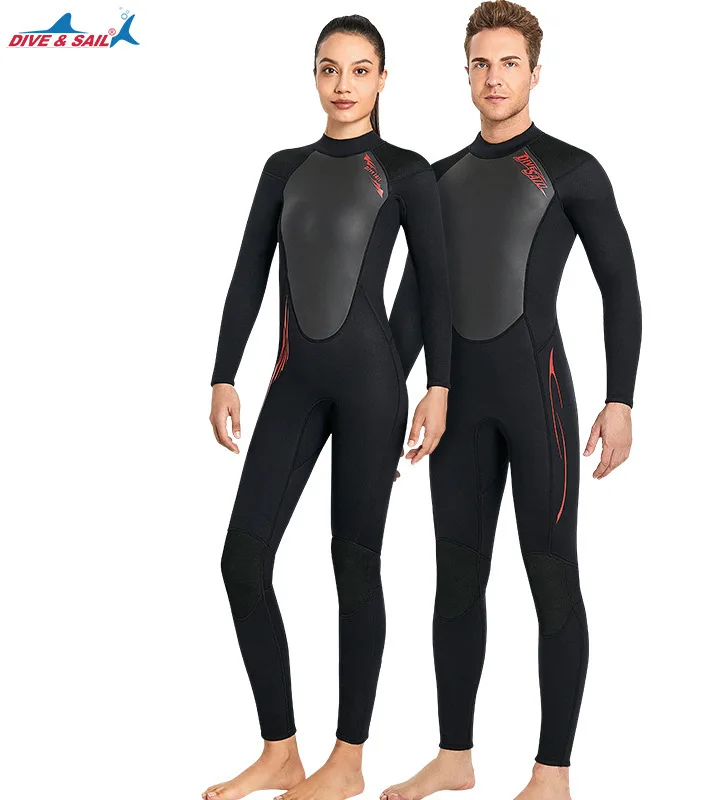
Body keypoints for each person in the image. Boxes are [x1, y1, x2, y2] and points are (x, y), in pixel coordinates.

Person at [382, 3, 641, 800]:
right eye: (481, 63)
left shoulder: (571, 170)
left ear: (535, 71)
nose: (494, 78)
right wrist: (386, 402)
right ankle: (454, 758)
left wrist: (621, 399)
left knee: (551, 575)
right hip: (456, 409)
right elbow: (415, 301)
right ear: (465, 73)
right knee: (456, 577)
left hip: (539, 400)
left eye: (508, 63)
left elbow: (620, 287)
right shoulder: (436, 180)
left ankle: (551, 774)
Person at [204, 16, 451, 800]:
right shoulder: (284, 168)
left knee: (353, 564)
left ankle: (347, 760)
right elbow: (249, 272)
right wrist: (223, 374)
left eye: (360, 69)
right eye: (329, 68)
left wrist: (438, 387)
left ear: (383, 79)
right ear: (314, 76)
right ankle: (281, 750)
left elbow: (436, 288)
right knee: (242, 560)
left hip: (373, 386)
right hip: (293, 381)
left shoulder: (405, 172)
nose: (343, 84)